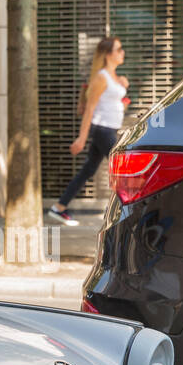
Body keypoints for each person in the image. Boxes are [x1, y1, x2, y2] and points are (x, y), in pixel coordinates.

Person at [49, 37, 128, 226]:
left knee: (88, 170)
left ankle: (59, 207)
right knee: (123, 168)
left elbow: (112, 103)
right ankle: (127, 211)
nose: (122, 52)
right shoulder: (101, 77)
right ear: (108, 54)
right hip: (102, 129)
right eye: (119, 49)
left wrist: (123, 91)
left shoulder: (116, 77)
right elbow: (90, 108)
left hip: (110, 128)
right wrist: (81, 138)